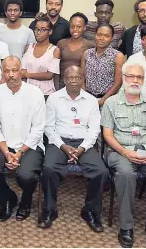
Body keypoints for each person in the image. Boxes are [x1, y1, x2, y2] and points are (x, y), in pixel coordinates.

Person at [101, 62, 146, 248]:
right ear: (124, 78)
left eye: (139, 77)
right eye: (131, 76)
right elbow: (107, 135)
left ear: (143, 80)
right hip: (119, 150)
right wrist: (125, 151)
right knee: (126, 175)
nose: (135, 80)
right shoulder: (111, 103)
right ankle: (126, 227)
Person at [40, 66, 107, 231]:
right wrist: (62, 146)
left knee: (100, 171)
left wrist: (82, 148)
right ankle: (49, 209)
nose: (74, 81)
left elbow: (94, 130)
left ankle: (90, 211)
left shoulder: (91, 100)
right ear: (64, 79)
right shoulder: (54, 98)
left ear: (83, 79)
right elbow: (48, 127)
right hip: (59, 141)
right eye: (70, 77)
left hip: (84, 143)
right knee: (48, 168)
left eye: (77, 77)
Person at [0, 56, 45, 222]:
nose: (11, 74)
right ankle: (7, 199)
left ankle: (26, 201)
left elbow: (38, 128)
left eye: (14, 70)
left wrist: (19, 153)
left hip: (29, 145)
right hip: (3, 142)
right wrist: (6, 152)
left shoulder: (35, 93)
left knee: (26, 175)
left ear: (21, 71)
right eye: (7, 71)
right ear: (2, 72)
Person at [80, 24, 126, 105]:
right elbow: (82, 76)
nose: (102, 38)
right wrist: (84, 95)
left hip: (107, 101)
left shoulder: (118, 56)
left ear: (111, 38)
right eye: (99, 35)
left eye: (106, 36)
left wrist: (103, 100)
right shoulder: (87, 53)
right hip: (87, 99)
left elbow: (118, 83)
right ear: (95, 35)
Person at [21, 15, 61, 98]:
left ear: (50, 32)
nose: (38, 32)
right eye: (36, 29)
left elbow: (49, 75)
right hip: (28, 93)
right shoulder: (28, 47)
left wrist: (28, 74)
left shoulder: (55, 50)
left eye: (43, 30)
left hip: (46, 94)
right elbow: (22, 72)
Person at [56, 13, 94, 90]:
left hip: (79, 86)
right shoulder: (61, 43)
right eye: (72, 27)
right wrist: (56, 87)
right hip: (62, 85)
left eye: (79, 27)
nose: (75, 29)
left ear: (84, 28)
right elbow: (55, 67)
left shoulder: (90, 45)